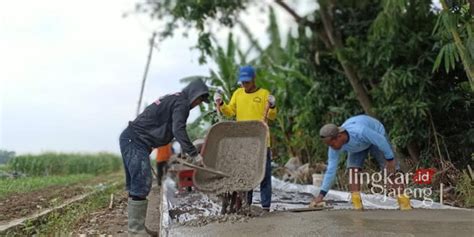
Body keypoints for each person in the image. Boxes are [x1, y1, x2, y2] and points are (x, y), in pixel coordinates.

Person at [119, 79, 209, 235]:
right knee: (141, 183)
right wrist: (194, 154)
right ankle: (135, 231)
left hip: (133, 140)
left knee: (138, 184)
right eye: (200, 100)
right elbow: (178, 130)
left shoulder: (175, 99)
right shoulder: (182, 103)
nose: (198, 104)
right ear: (194, 94)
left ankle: (139, 227)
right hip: (134, 141)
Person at [310, 114, 412, 210]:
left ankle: (405, 204)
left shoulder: (361, 131)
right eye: (329, 145)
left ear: (340, 136)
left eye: (332, 144)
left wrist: (390, 159)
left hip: (376, 135)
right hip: (358, 147)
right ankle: (357, 205)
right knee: (352, 171)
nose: (332, 148)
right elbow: (331, 171)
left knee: (390, 170)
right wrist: (321, 195)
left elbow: (381, 141)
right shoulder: (333, 147)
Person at [214, 65, 277, 212]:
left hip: (262, 142)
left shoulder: (263, 94)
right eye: (242, 82)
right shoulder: (238, 94)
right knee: (246, 174)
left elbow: (272, 116)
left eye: (247, 82)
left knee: (264, 174)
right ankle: (246, 205)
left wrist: (272, 106)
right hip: (243, 142)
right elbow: (229, 112)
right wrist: (221, 103)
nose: (244, 85)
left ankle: (266, 206)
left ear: (254, 79)